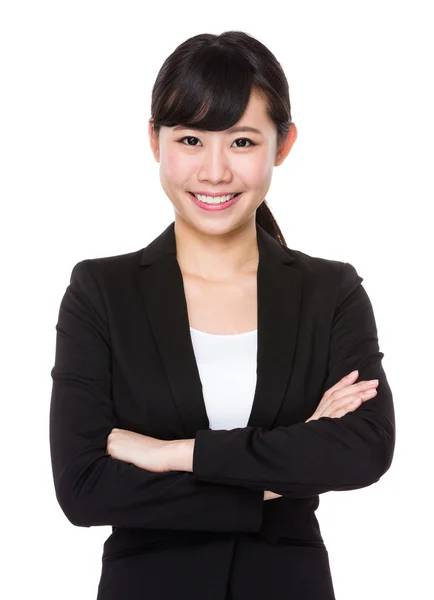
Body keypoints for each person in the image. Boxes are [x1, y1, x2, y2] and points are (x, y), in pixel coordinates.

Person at [49, 30, 395, 600]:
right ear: (154, 141)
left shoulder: (330, 290)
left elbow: (363, 449)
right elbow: (84, 488)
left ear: (282, 145)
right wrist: (285, 464)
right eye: (190, 139)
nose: (213, 172)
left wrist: (173, 454)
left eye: (241, 142)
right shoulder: (101, 292)